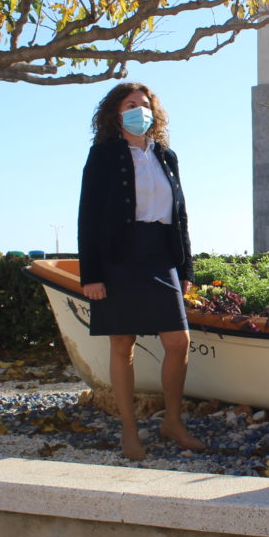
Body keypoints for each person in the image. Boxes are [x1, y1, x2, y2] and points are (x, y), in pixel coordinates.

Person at [77, 82, 204, 460]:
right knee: (122, 344)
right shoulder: (102, 156)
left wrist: (186, 268)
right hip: (118, 256)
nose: (139, 110)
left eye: (144, 104)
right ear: (116, 113)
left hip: (159, 255)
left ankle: (173, 423)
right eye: (131, 104)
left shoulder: (166, 157)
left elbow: (180, 215)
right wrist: (91, 275)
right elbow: (88, 215)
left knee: (178, 342)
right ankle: (129, 431)